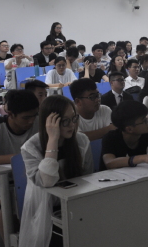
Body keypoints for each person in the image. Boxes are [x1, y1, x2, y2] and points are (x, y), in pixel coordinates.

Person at [19, 95, 93, 247]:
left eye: (74, 118)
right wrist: (53, 139)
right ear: (49, 123)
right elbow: (47, 181)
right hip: (45, 209)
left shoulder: (81, 140)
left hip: (75, 203)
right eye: (65, 121)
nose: (72, 125)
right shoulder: (31, 147)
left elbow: (88, 177)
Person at [0, 90, 39, 238]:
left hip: (28, 177)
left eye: (34, 115)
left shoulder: (38, 124)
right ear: (11, 114)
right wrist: (15, 158)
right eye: (26, 117)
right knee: (9, 201)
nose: (31, 121)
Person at [100, 100, 148, 171]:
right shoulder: (111, 137)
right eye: (144, 121)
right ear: (129, 129)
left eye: (147, 118)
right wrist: (143, 158)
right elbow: (109, 162)